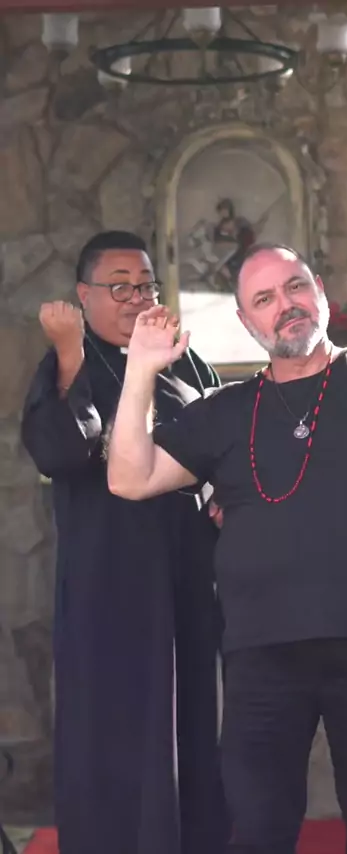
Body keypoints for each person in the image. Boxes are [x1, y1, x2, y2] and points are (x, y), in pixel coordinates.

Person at [106, 242, 347, 854]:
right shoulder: (226, 410)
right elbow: (130, 476)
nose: (286, 305)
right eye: (265, 298)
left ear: (320, 293)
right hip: (262, 654)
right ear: (246, 321)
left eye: (296, 287)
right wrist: (141, 370)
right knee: (259, 833)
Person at [21, 231, 227, 854]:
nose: (137, 298)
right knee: (112, 727)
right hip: (107, 581)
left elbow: (220, 446)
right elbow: (60, 451)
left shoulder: (184, 361)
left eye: (145, 285)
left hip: (186, 574)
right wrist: (68, 353)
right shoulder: (70, 364)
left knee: (193, 721)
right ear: (83, 296)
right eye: (119, 287)